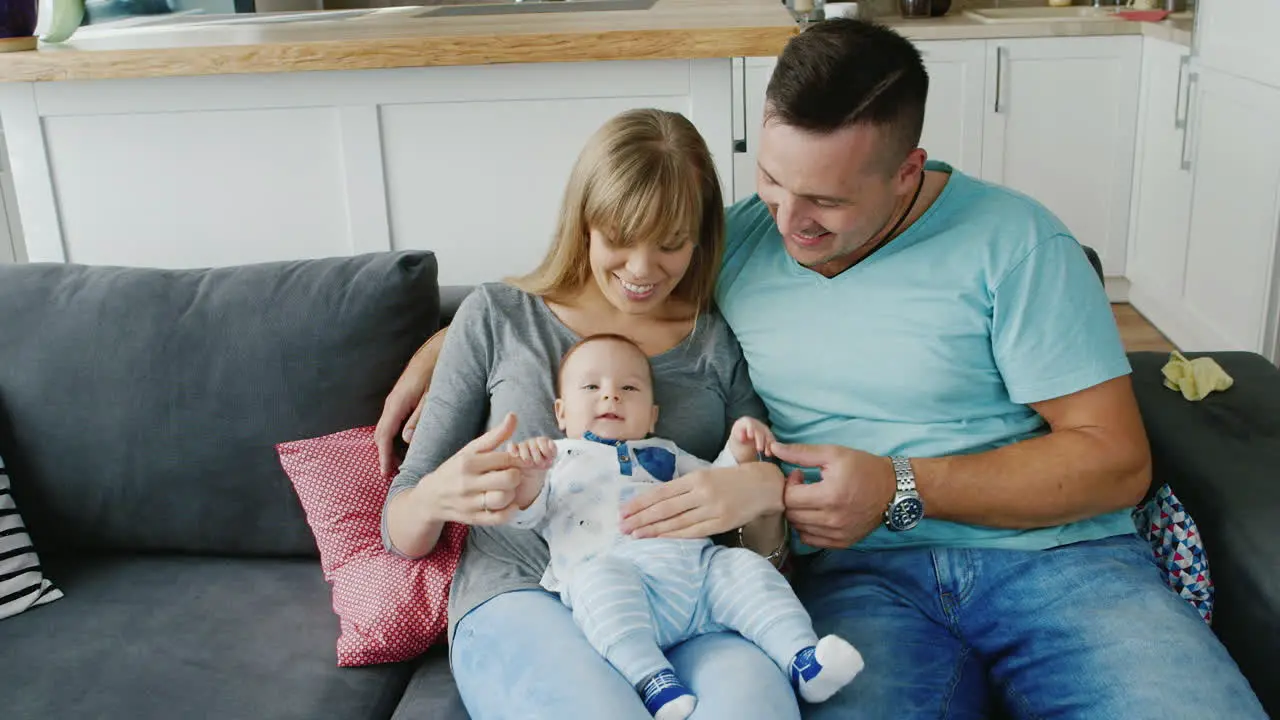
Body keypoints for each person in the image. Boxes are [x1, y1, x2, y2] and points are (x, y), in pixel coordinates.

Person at [378, 18, 1269, 720]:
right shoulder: (735, 244)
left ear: (906, 171)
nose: (788, 220)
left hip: (1060, 568)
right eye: (771, 180)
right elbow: (587, 285)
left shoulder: (1016, 244)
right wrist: (439, 347)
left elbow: (1117, 461)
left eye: (827, 201)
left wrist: (900, 486)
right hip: (865, 584)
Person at [379, 107, 806, 719]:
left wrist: (759, 496)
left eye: (670, 244)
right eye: (619, 239)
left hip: (687, 603)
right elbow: (401, 524)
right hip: (524, 595)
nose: (641, 270)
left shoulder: (715, 341)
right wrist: (436, 498)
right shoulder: (499, 317)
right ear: (583, 224)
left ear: (702, 236)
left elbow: (765, 547)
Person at [503, 333, 863, 720]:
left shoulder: (668, 453)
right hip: (622, 578)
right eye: (591, 387)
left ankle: (803, 660)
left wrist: (740, 449)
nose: (611, 396)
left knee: (747, 571)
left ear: (653, 415)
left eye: (629, 387)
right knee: (596, 585)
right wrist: (527, 477)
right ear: (560, 412)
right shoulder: (555, 458)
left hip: (699, 573)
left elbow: (717, 485)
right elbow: (526, 514)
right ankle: (653, 680)